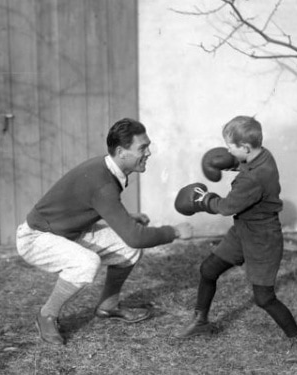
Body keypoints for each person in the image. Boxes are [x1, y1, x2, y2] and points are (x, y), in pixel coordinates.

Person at [17, 118, 193, 346]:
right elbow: (136, 236)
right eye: (142, 147)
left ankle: (108, 306)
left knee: (127, 249)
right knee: (86, 263)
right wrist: (175, 232)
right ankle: (47, 314)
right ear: (121, 152)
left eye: (148, 146)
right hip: (36, 237)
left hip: (68, 231)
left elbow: (89, 206)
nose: (148, 152)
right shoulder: (104, 183)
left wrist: (127, 218)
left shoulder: (107, 169)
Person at [173, 115, 297, 363]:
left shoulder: (252, 178)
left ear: (245, 148)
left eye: (230, 146)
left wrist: (203, 200)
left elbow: (226, 207)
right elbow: (248, 170)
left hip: (263, 238)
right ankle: (201, 321)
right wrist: (233, 163)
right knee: (208, 269)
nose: (227, 150)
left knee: (264, 298)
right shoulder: (264, 155)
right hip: (243, 230)